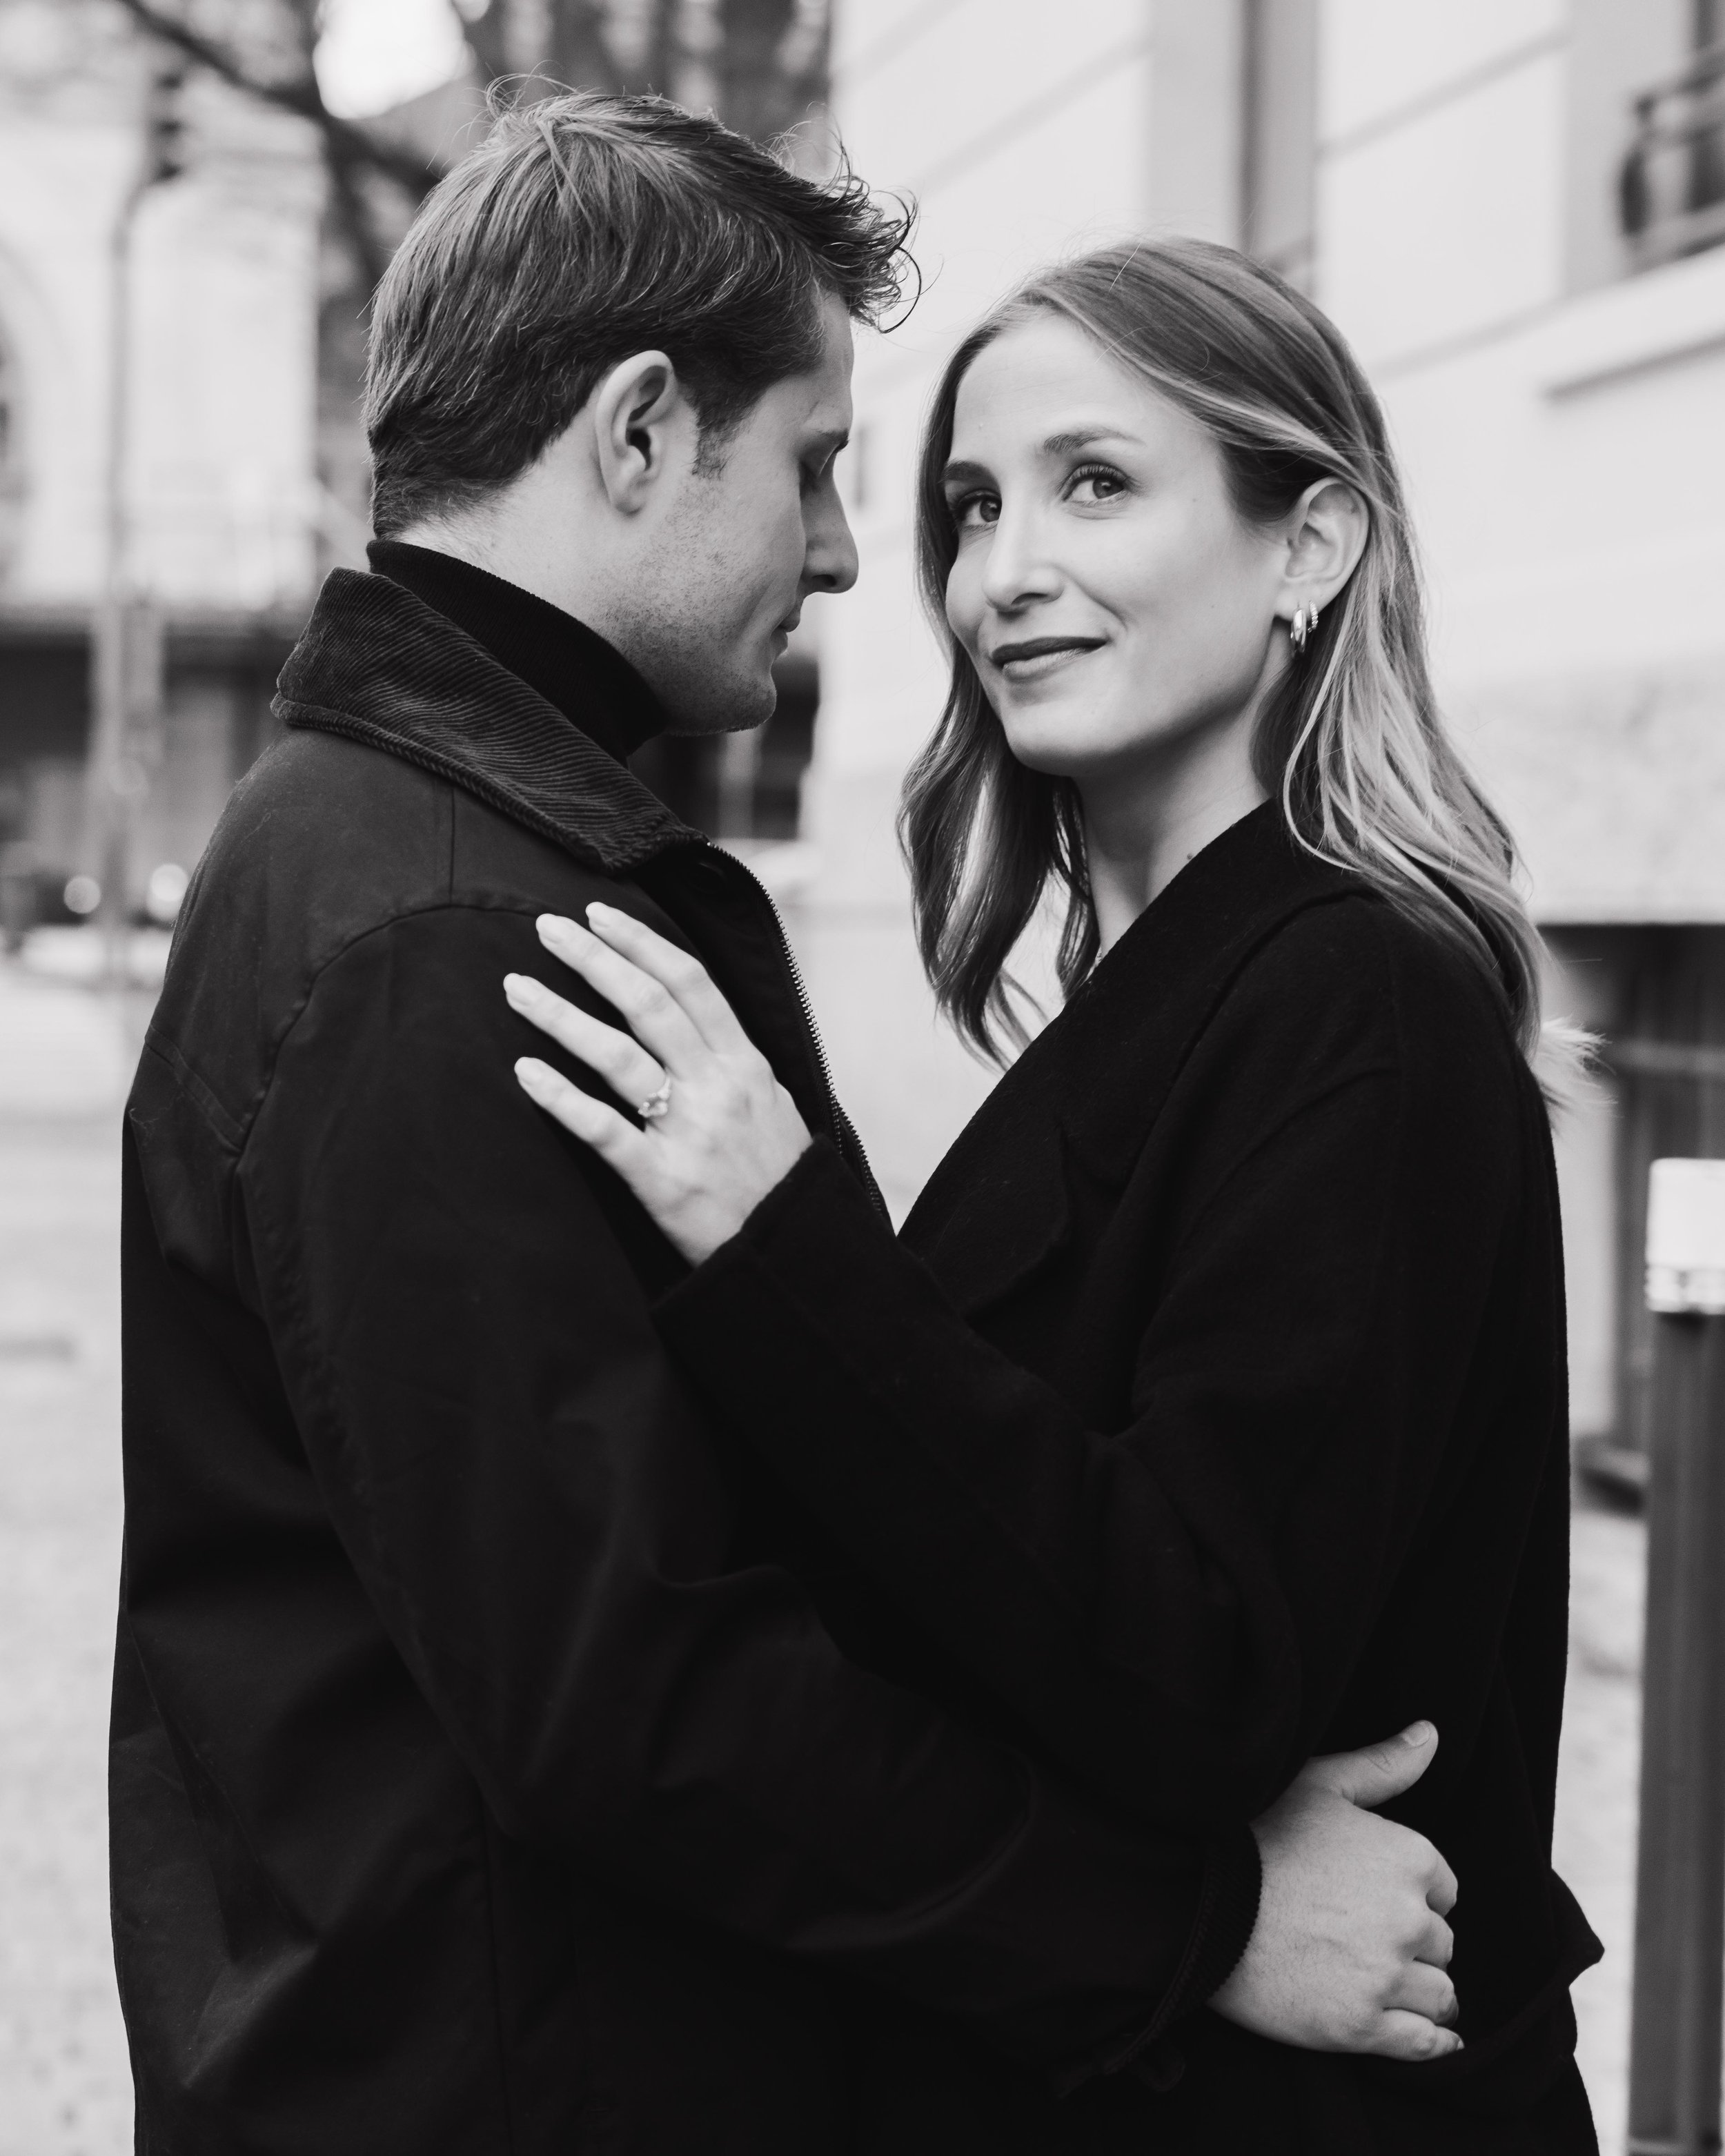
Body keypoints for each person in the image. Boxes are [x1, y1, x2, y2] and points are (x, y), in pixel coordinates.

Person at [112, 108, 1462, 2155]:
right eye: (829, 467)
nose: (855, 557)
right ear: (642, 433)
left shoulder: (447, 863)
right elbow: (635, 1699)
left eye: (1088, 485)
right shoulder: (448, 927)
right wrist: (1183, 1923)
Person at [502, 238, 1604, 2153]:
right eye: (969, 506)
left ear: (1308, 544)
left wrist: (780, 1240)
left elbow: (1194, 1663)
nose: (1002, 571)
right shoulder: (1178, 1000)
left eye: (1095, 483)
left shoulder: (1354, 1002)